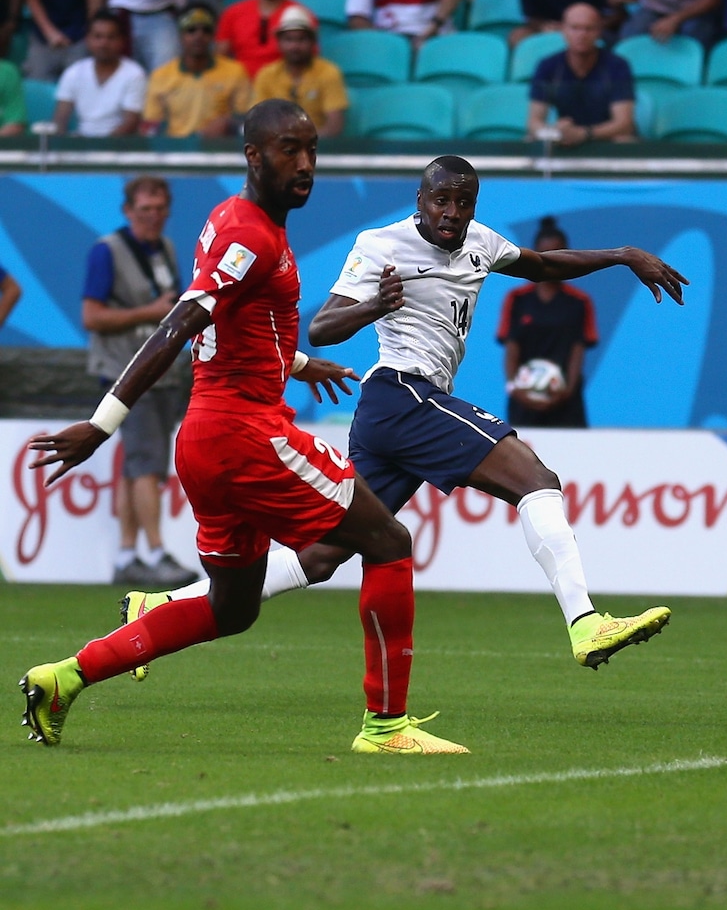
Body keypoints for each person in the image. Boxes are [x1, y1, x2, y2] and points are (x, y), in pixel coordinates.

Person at [125, 157, 690, 686]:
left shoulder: (481, 243)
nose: (451, 213)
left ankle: (163, 603)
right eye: (440, 200)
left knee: (323, 555)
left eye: (462, 202)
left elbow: (540, 264)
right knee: (535, 480)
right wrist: (378, 304)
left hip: (395, 416)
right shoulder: (380, 244)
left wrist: (621, 254)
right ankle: (585, 622)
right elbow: (322, 327)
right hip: (401, 393)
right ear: (419, 200)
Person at [20, 99, 462, 756]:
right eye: (290, 149)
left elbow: (235, 326)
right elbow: (180, 324)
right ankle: (387, 728)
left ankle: (64, 677)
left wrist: (301, 362)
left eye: (312, 150)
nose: (306, 164)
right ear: (253, 156)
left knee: (234, 608)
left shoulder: (235, 221)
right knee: (389, 540)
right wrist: (102, 423)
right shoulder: (252, 237)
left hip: (206, 440)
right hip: (246, 435)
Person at [79, 176, 196, 588]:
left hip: (160, 373)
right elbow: (91, 317)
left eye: (160, 209)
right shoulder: (106, 252)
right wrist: (149, 311)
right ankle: (154, 550)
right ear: (128, 210)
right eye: (145, 209)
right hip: (124, 374)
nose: (153, 217)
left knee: (137, 465)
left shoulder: (165, 249)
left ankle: (127, 554)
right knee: (148, 463)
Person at [498, 216, 604, 428]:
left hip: (566, 402)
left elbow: (578, 350)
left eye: (558, 254)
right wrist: (516, 390)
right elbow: (511, 348)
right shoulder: (517, 299)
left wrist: (565, 393)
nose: (552, 261)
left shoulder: (579, 302)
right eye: (545, 255)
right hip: (524, 400)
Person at [526, 3, 634, 143]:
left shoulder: (617, 66)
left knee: (624, 140)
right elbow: (534, 122)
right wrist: (554, 133)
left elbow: (624, 124)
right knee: (530, 139)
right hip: (565, 137)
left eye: (589, 29)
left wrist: (583, 134)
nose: (582, 35)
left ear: (599, 31)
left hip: (606, 137)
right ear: (563, 30)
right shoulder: (548, 66)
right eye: (575, 28)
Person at [142, 2, 248, 136]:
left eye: (206, 30)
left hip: (218, 149)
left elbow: (244, 118)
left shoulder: (235, 71)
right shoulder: (160, 76)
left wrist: (227, 124)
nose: (199, 36)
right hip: (175, 151)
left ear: (213, 35)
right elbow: (151, 125)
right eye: (191, 30)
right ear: (180, 36)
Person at [250, 4, 349, 136]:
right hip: (276, 148)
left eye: (301, 39)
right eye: (288, 39)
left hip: (318, 148)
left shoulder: (329, 72)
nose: (295, 46)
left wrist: (301, 145)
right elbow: (258, 123)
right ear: (279, 43)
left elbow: (334, 126)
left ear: (313, 42)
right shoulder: (266, 75)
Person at [54, 12, 146, 135]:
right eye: (97, 37)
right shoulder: (74, 72)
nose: (104, 43)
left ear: (122, 41)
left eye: (111, 37)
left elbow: (131, 122)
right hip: (81, 142)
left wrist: (99, 148)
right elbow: (60, 118)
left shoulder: (134, 74)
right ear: (87, 40)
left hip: (119, 147)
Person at [214, 0, 297, 78]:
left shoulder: (299, 15)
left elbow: (307, 64)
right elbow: (219, 59)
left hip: (282, 88)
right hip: (240, 88)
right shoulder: (233, 13)